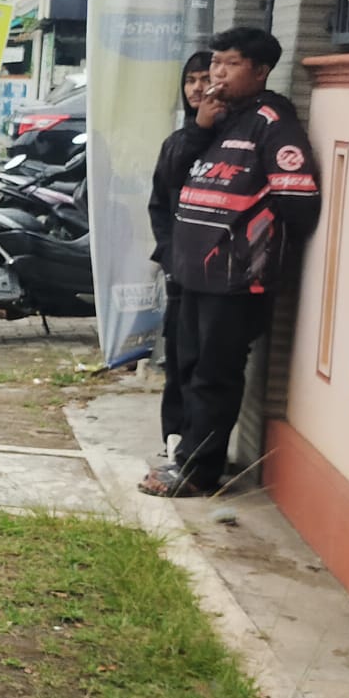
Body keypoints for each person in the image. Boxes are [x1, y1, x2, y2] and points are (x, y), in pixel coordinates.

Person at [140, 26, 320, 498]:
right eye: (215, 63)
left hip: (236, 279)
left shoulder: (272, 123)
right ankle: (184, 455)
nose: (217, 74)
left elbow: (299, 203)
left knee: (214, 375)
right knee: (188, 367)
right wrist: (199, 127)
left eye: (230, 64)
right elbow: (170, 178)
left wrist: (254, 251)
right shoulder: (214, 120)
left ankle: (199, 472)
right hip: (192, 274)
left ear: (259, 70)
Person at [146, 51, 212, 459]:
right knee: (178, 358)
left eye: (205, 79)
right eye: (190, 80)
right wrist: (170, 257)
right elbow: (159, 204)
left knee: (206, 365)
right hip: (180, 272)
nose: (197, 88)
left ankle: (196, 447)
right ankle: (173, 439)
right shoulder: (178, 143)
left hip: (220, 275)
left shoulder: (233, 142)